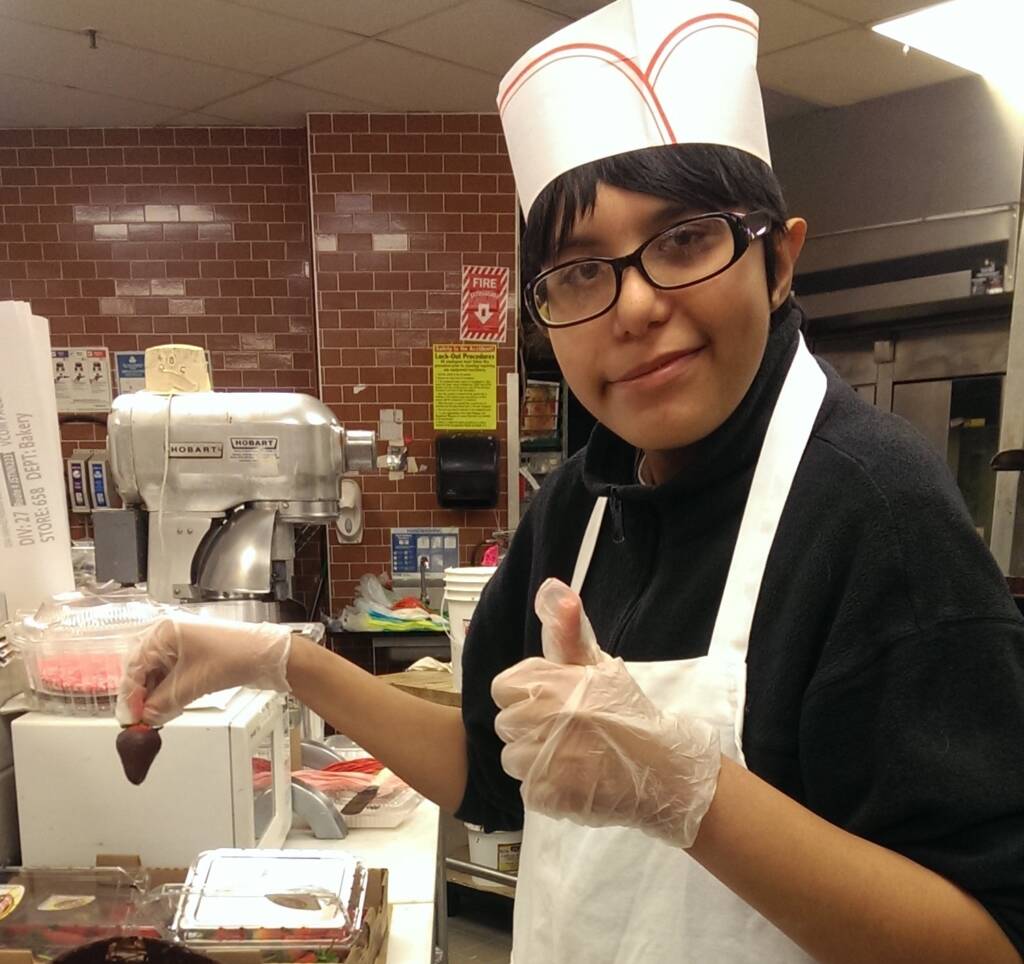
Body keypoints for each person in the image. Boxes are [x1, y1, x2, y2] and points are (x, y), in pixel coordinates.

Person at [116, 1, 1024, 961]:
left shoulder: (879, 516)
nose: (632, 307)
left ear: (779, 258)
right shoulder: (584, 503)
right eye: (582, 272)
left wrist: (690, 794)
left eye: (684, 241)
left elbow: (987, 939)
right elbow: (492, 776)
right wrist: (276, 663)